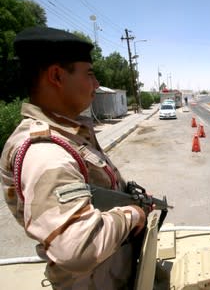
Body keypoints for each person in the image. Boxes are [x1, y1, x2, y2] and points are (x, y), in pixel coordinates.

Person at [0, 27, 147, 289]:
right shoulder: (45, 151)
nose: (96, 84)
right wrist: (133, 215)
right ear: (56, 75)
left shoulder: (69, 132)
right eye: (89, 74)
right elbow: (77, 248)